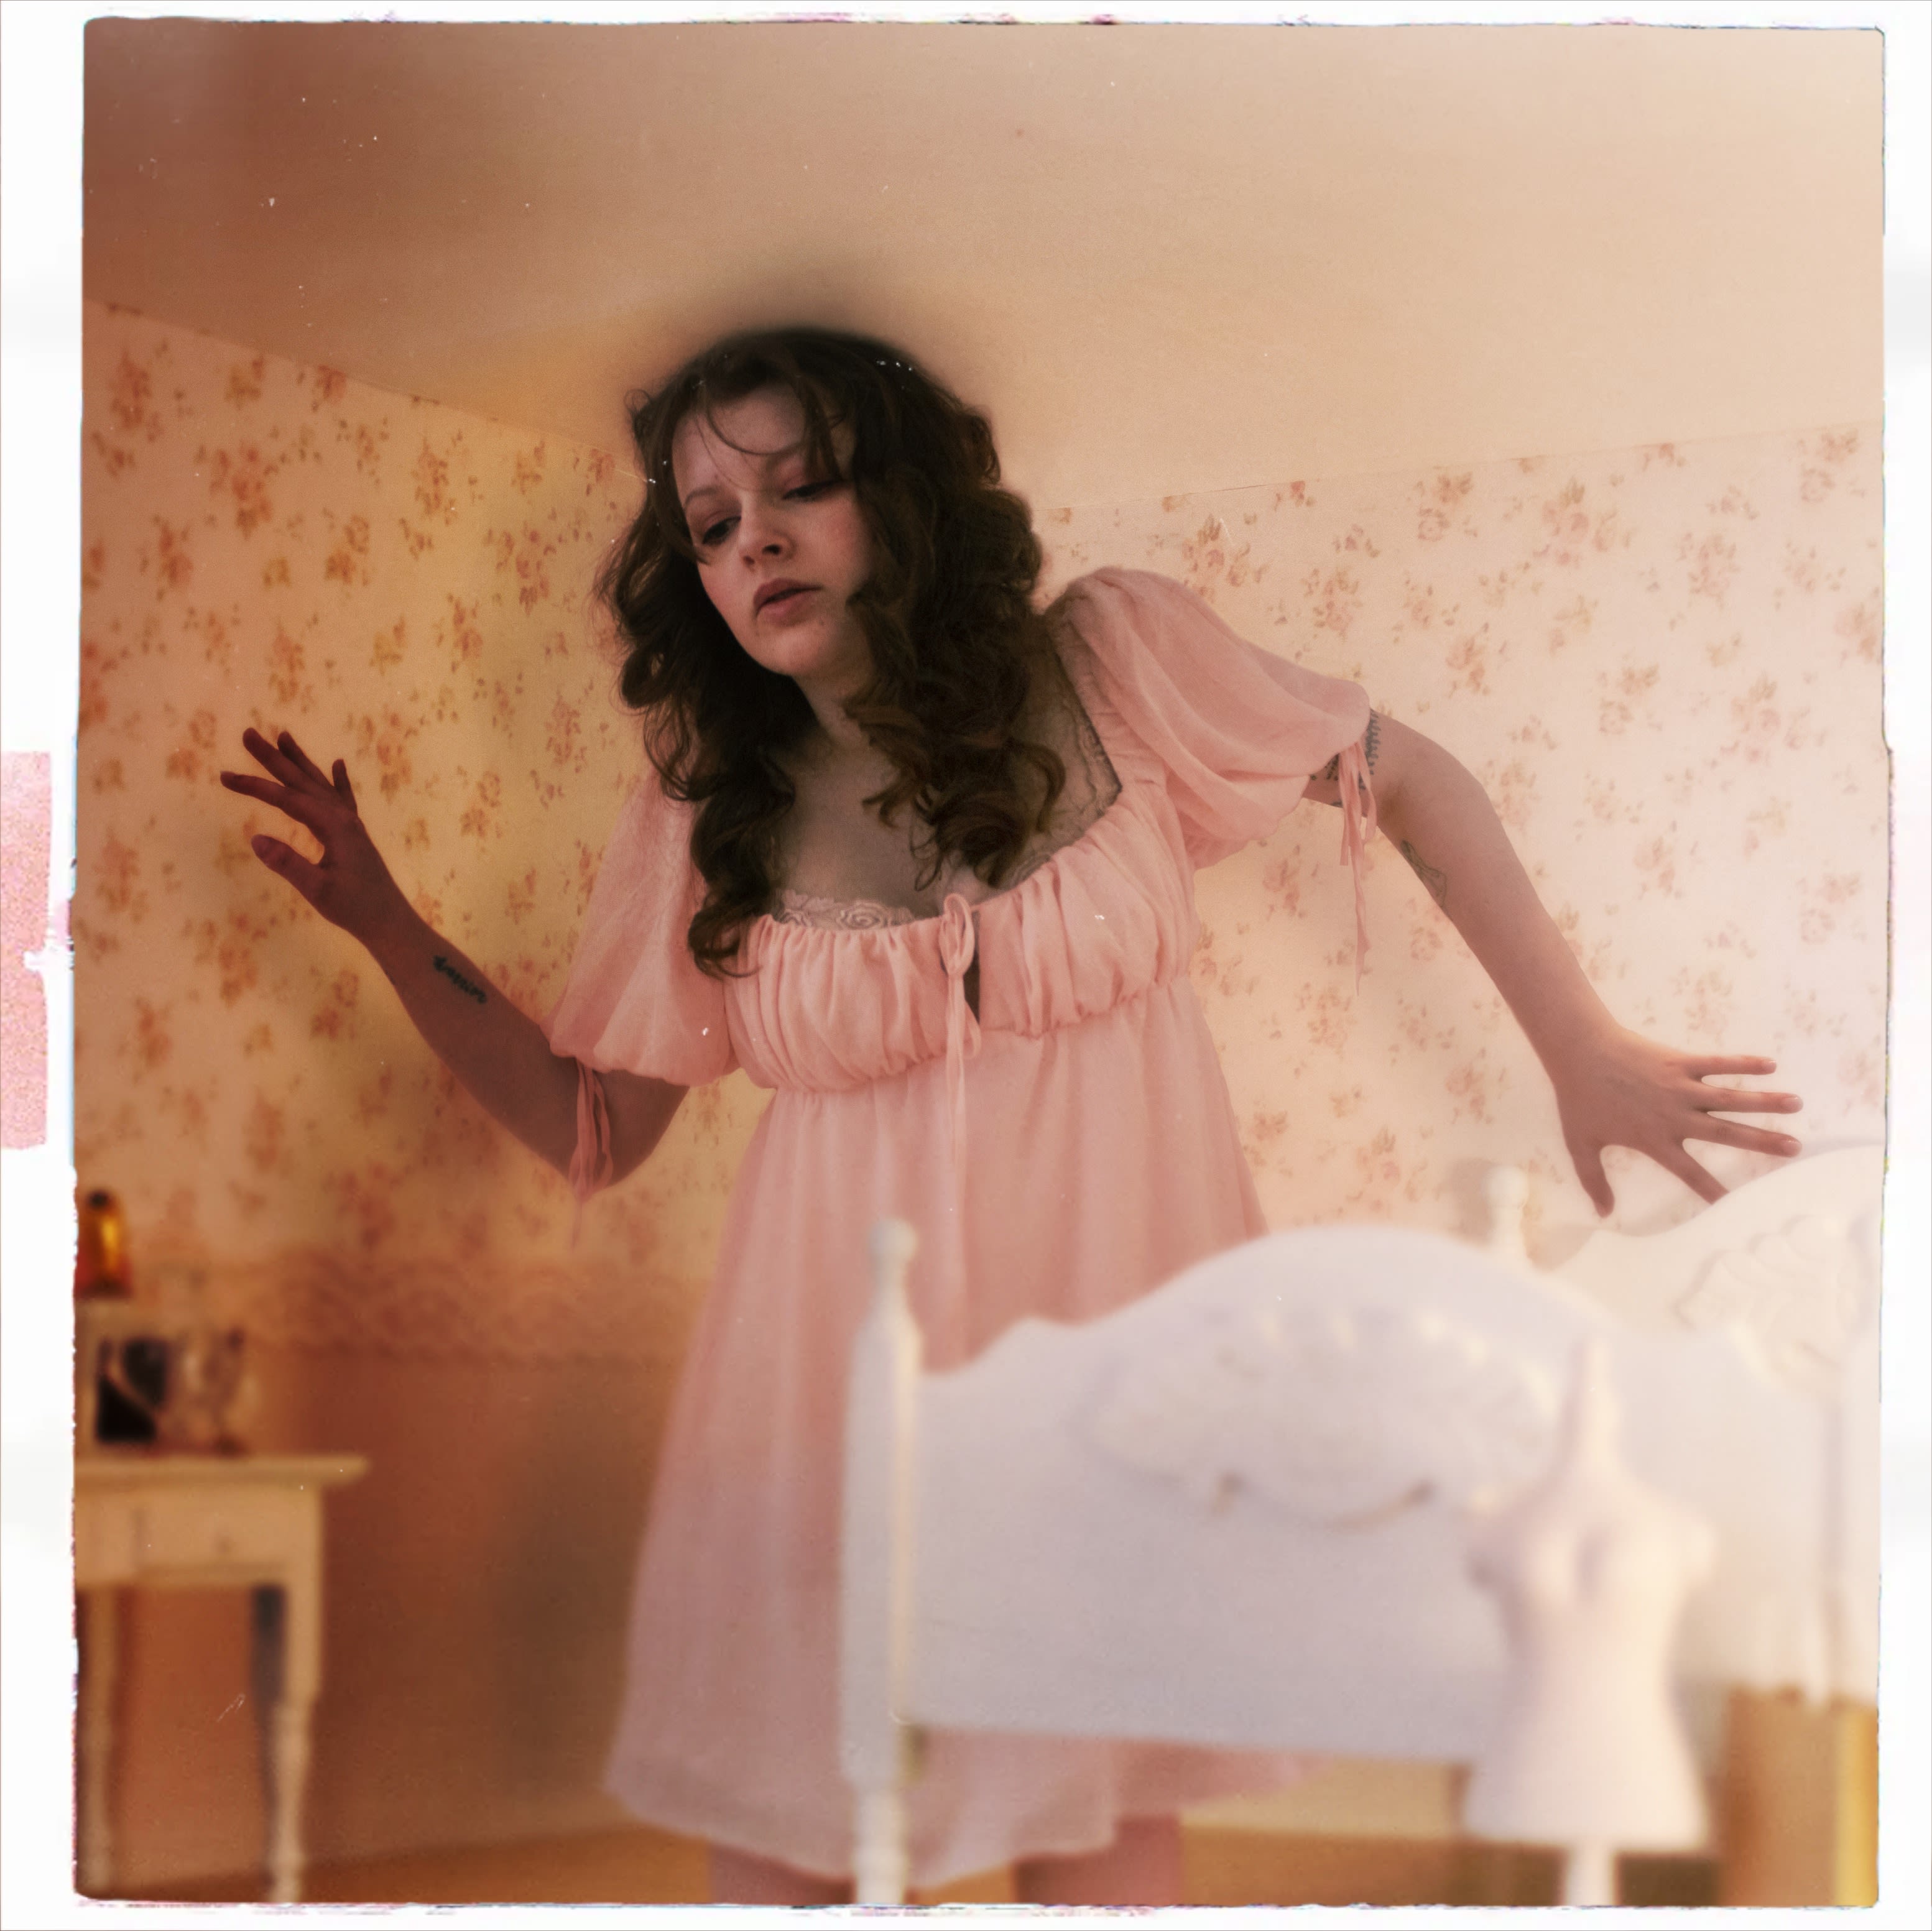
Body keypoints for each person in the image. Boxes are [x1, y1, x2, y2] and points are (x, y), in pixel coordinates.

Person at [220, 326, 1803, 1905]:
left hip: (1118, 1398)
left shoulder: (1111, 662)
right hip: (830, 1412)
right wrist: (385, 922)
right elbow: (594, 1125)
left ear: (902, 498)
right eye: (709, 521)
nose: (753, 540)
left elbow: (1403, 771)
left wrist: (1581, 1045)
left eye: (799, 485)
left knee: (1101, 1836)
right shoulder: (710, 805)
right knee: (793, 1849)